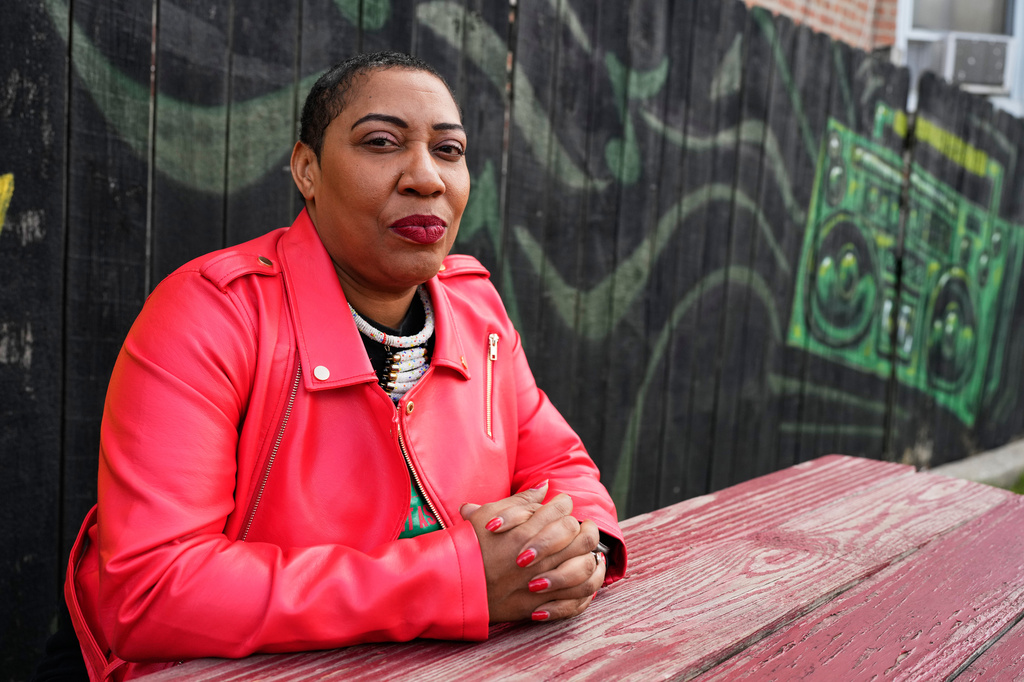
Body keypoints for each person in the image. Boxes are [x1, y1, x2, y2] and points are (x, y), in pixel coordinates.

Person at [59, 51, 626, 682]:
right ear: (307, 169)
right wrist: (455, 580)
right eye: (382, 142)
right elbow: (153, 588)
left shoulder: (477, 309)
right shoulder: (213, 313)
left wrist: (582, 551)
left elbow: (560, 466)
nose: (425, 177)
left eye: (449, 150)